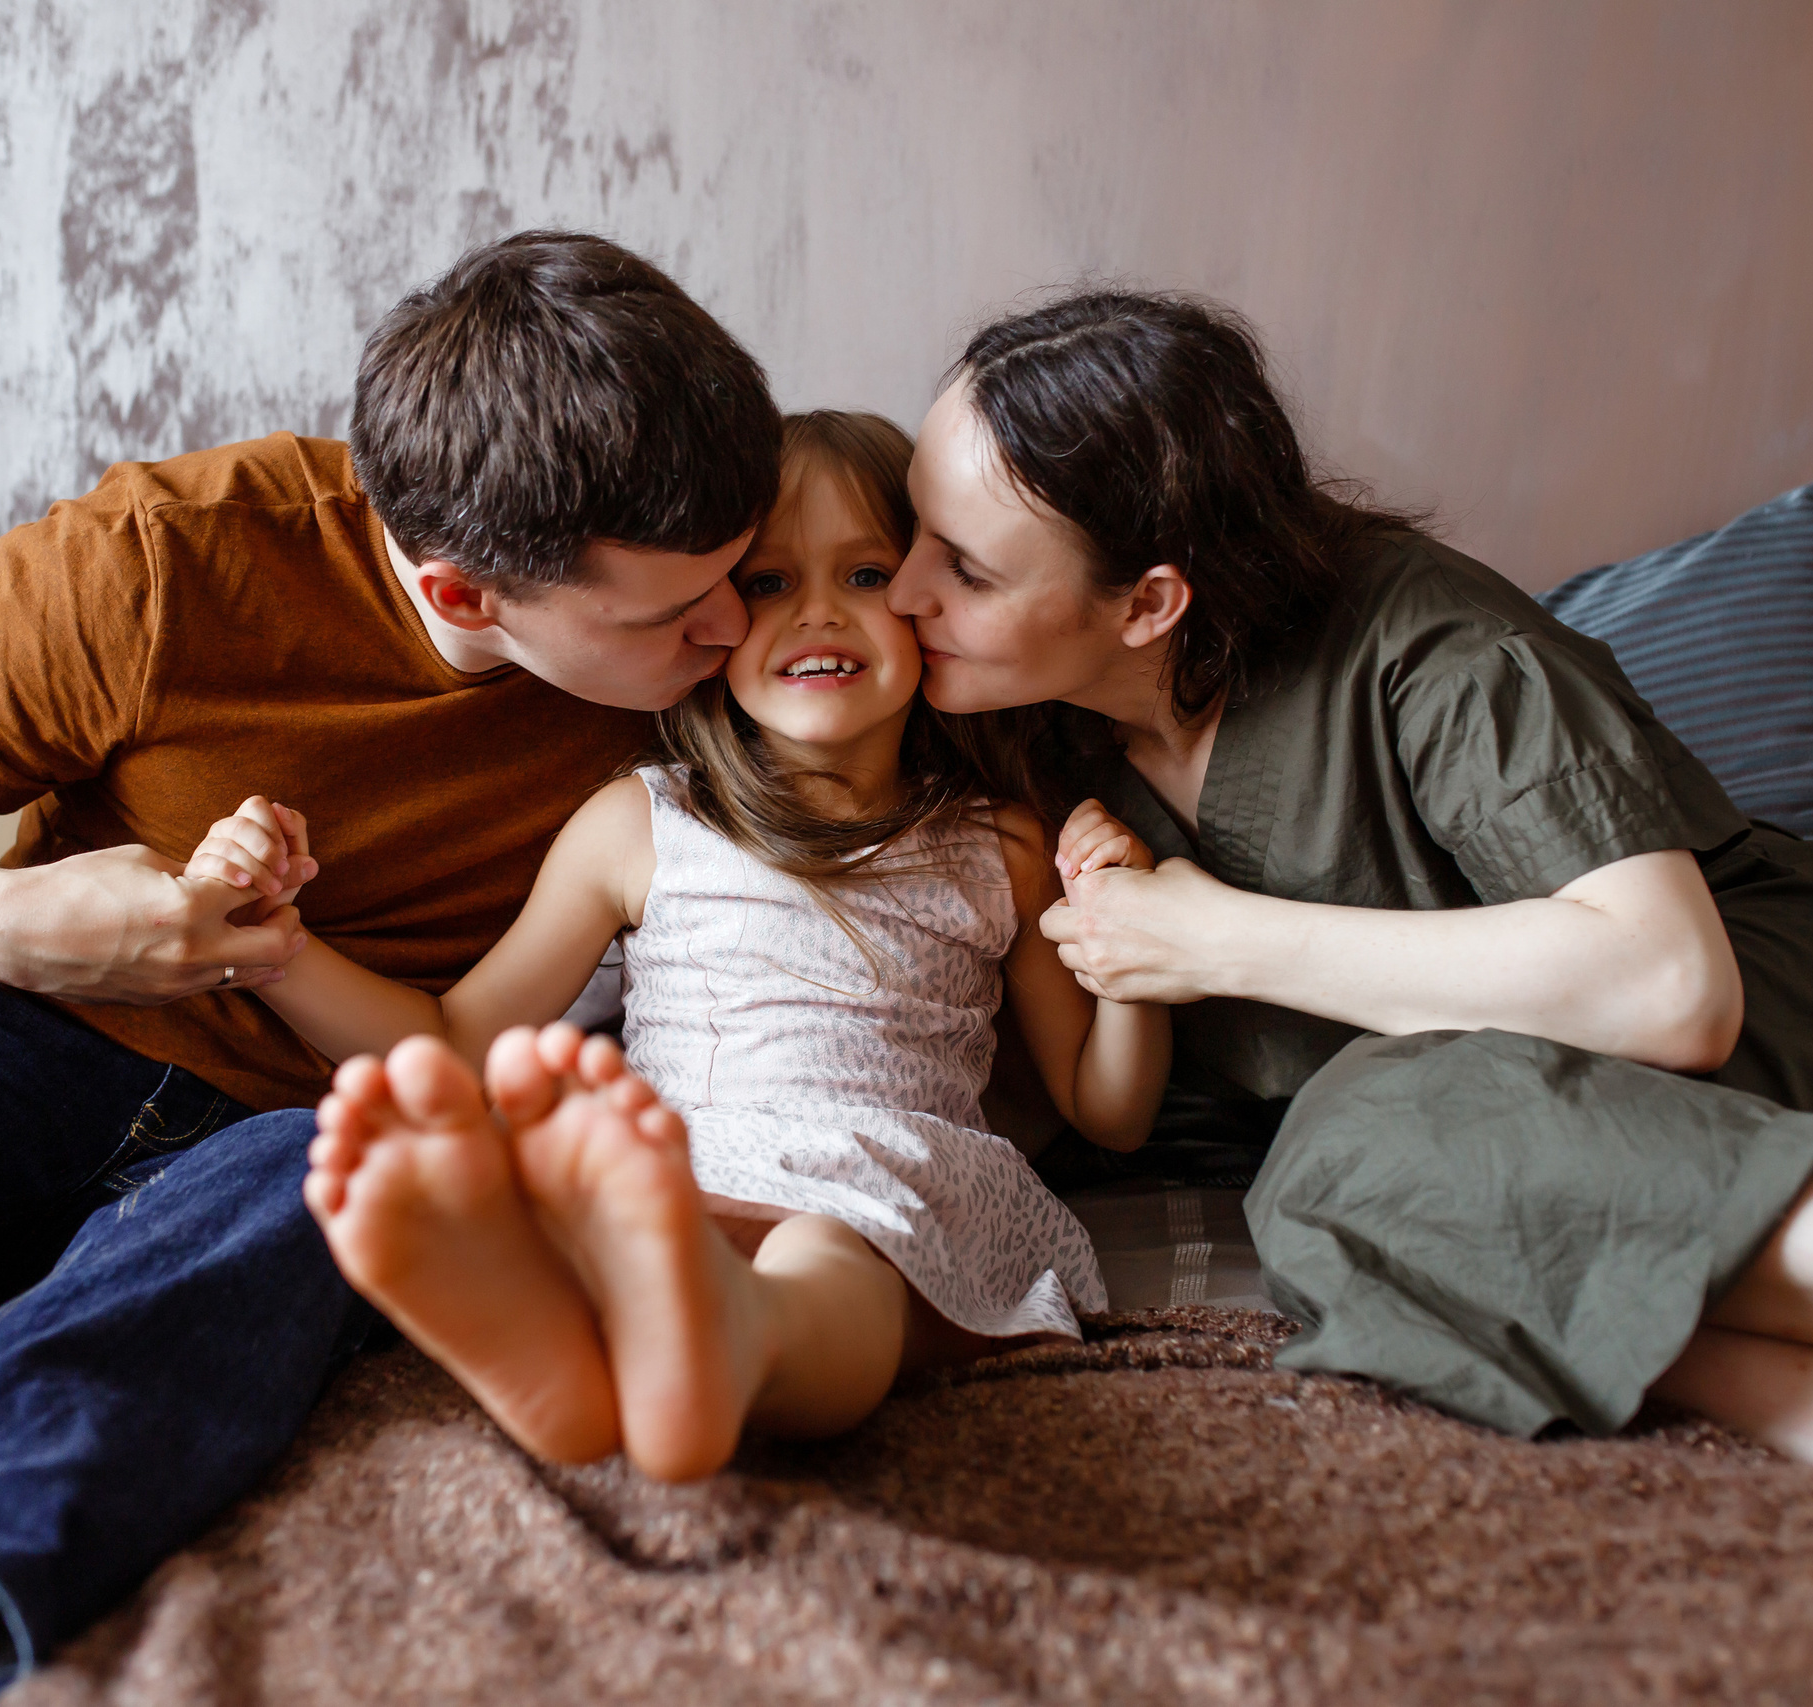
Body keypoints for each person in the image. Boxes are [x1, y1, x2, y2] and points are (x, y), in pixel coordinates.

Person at [0, 232, 781, 1707]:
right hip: (0, 1037)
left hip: (292, 1139)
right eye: (675, 610)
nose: (732, 626)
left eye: (736, 578)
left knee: (311, 1191)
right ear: (467, 590)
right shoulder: (169, 560)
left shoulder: (723, 652)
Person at [884, 288, 1813, 1496]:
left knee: (1357, 1140)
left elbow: (1669, 987)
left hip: (1773, 1030)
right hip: (1489, 1146)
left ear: (1148, 603)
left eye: (962, 568)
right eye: (913, 531)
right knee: (1343, 1227)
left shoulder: (1428, 642)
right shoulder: (1046, 738)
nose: (906, 591)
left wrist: (1218, 940)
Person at [182, 411, 1171, 1482]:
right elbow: (452, 1039)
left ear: (928, 594)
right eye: (768, 584)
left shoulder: (1000, 841)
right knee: (601, 1211)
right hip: (669, 1173)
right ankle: (592, 1329)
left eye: (867, 573)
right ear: (706, 615)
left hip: (887, 1187)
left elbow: (1106, 1109)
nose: (817, 616)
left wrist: (1130, 929)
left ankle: (725, 1342)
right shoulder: (642, 823)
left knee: (825, 1255)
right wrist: (277, 951)